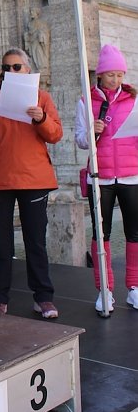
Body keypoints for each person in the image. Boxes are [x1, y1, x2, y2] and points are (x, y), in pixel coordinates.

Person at [0, 47, 63, 318]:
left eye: (16, 67)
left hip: (34, 178)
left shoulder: (42, 97)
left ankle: (43, 297)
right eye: (6, 67)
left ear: (27, 69)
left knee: (35, 241)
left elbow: (56, 134)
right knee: (0, 243)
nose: (10, 71)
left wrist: (41, 118)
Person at [75, 44, 138, 313]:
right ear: (99, 74)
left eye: (120, 74)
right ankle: (105, 290)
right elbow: (79, 140)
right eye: (111, 74)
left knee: (134, 233)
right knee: (102, 235)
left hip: (131, 176)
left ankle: (134, 287)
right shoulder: (86, 101)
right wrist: (92, 131)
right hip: (99, 178)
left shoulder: (134, 99)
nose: (116, 80)